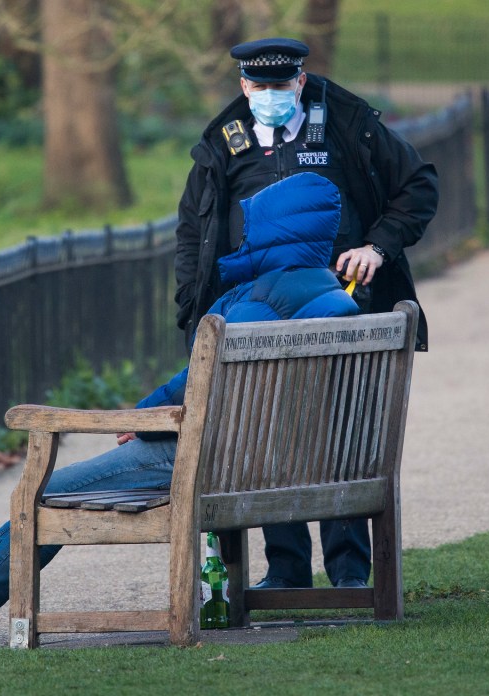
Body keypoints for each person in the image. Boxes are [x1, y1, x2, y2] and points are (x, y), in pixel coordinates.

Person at [0, 172, 359, 648]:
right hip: (283, 463)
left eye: (253, 225)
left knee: (47, 489)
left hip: (218, 463)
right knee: (52, 493)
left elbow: (197, 385)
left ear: (275, 231)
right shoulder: (332, 301)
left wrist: (140, 418)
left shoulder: (257, 300)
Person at [172, 37, 439, 591]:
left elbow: (418, 185)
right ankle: (286, 571)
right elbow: (193, 230)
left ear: (299, 82)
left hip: (336, 309)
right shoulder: (224, 142)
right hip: (257, 318)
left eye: (280, 85)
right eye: (258, 86)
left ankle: (349, 573)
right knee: (267, 436)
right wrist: (192, 305)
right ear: (244, 87)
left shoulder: (347, 124)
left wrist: (378, 247)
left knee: (339, 434)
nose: (269, 95)